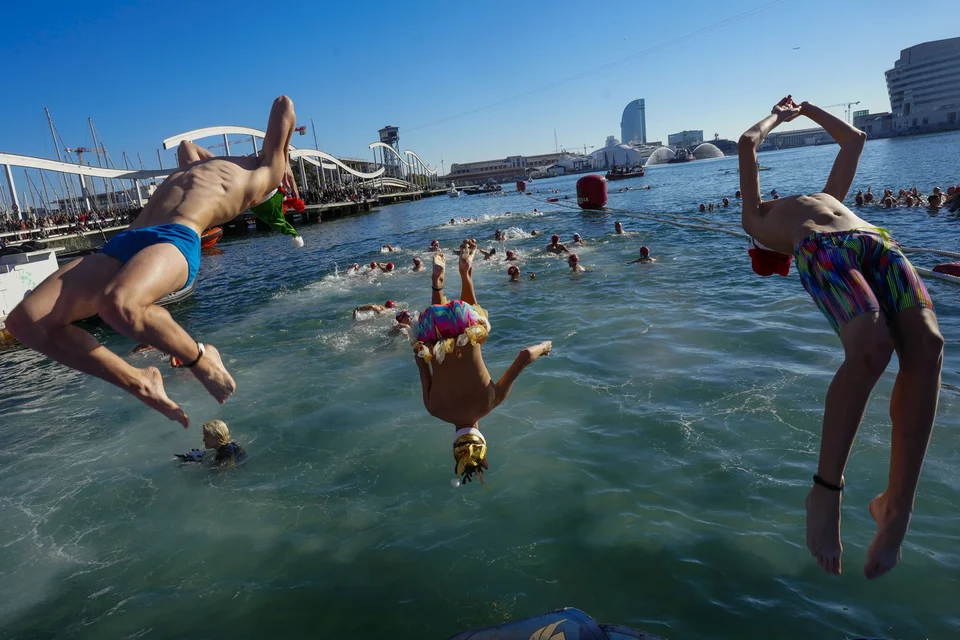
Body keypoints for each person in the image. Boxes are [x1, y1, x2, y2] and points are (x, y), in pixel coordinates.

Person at [5, 95, 304, 428]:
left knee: (120, 304)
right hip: (127, 239)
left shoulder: (267, 172)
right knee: (24, 322)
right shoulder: (206, 166)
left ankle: (201, 358)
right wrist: (218, 158)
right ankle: (139, 380)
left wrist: (285, 156)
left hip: (174, 238)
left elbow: (283, 104)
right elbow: (187, 145)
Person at [738, 95, 943, 580]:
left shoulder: (830, 198)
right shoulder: (755, 219)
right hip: (822, 248)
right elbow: (747, 143)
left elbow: (855, 139)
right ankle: (825, 492)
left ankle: (897, 505)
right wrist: (780, 117)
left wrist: (807, 108)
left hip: (875, 239)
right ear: (766, 246)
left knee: (928, 346)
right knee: (873, 348)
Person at [412, 242, 552, 485]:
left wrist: (545, 347)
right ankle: (437, 281)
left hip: (465, 319)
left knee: (476, 331)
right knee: (437, 344)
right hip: (431, 325)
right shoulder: (434, 408)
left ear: (482, 439)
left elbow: (524, 356)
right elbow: (420, 357)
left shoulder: (491, 401)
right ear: (454, 444)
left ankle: (466, 272)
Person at [175, 419, 245, 466]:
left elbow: (223, 471)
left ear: (217, 436)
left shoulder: (224, 454)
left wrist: (196, 462)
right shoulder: (231, 445)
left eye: (206, 436)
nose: (203, 439)